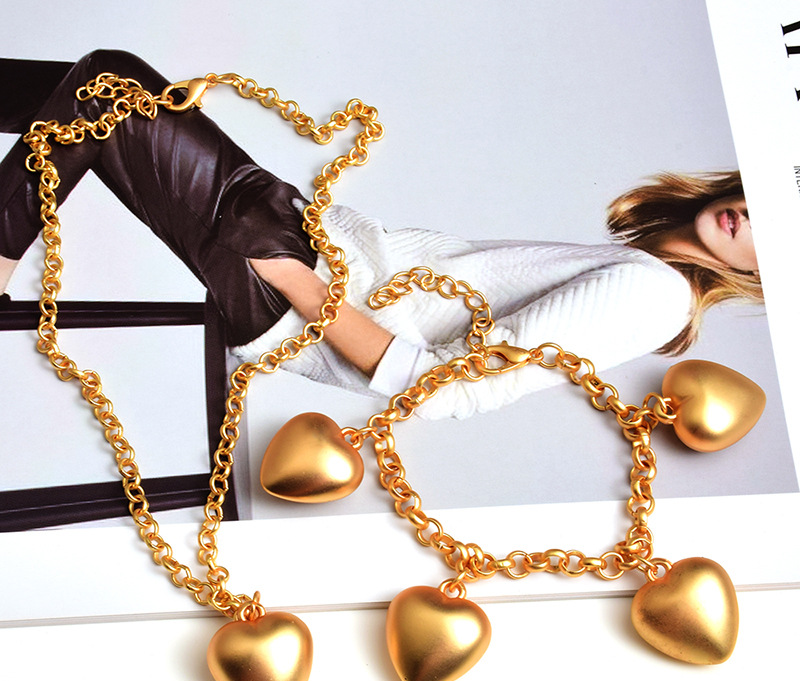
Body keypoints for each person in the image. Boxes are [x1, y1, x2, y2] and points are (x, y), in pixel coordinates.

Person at [0, 50, 762, 420]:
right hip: (301, 246)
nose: (748, 220)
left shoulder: (654, 293)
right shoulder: (644, 271)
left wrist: (298, 284)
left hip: (294, 279)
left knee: (108, 86)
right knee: (75, 94)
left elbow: (453, 390)